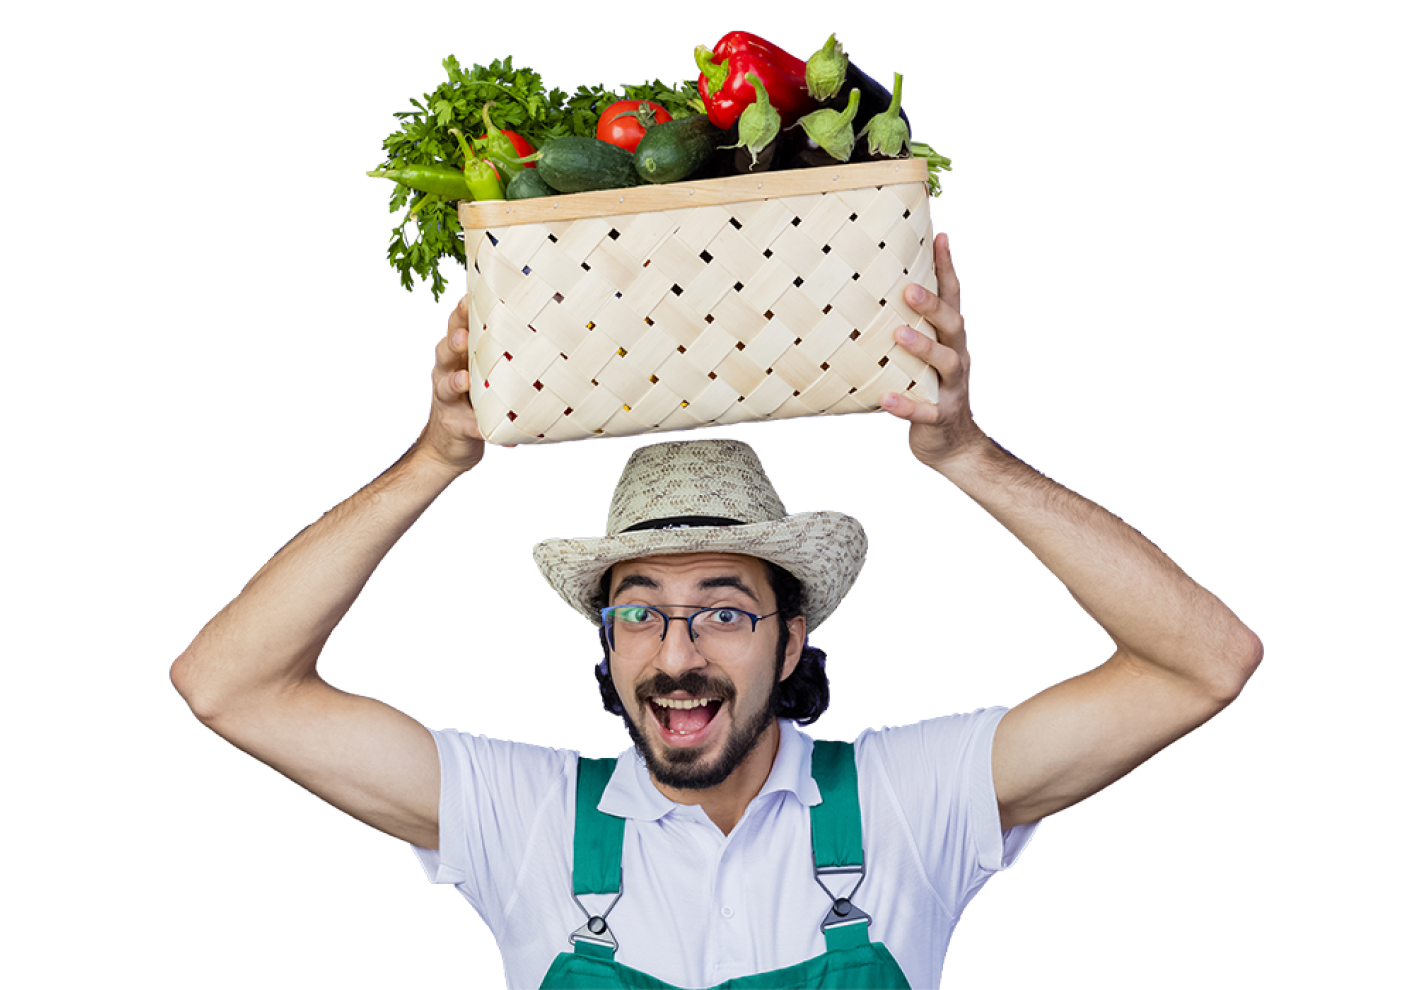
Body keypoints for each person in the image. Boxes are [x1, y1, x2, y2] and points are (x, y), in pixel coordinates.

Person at [169, 233, 1262, 989]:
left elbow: (1202, 663)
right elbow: (227, 685)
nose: (675, 652)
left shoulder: (906, 801)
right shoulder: (527, 819)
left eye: (724, 612)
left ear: (794, 641)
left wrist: (967, 455)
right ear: (604, 641)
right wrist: (433, 459)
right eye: (638, 612)